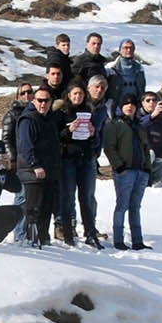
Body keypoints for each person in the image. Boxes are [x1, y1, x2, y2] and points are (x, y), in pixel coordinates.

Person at [16, 84, 62, 249]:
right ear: (34, 101)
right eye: (40, 100)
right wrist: (35, 165)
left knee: (46, 209)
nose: (43, 104)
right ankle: (31, 240)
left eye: (46, 101)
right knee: (33, 210)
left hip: (48, 172)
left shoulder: (49, 119)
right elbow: (25, 146)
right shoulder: (28, 119)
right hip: (33, 172)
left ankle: (42, 239)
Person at [104, 94, 153, 250]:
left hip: (140, 171)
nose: (129, 106)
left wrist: (147, 169)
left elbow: (145, 148)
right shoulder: (114, 124)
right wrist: (119, 166)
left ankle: (137, 241)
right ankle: (118, 239)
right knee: (122, 205)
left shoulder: (139, 126)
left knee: (135, 206)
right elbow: (109, 148)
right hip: (125, 171)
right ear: (121, 107)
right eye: (126, 104)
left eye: (132, 104)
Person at [54, 81, 99, 245]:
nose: (78, 97)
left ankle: (90, 233)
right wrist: (68, 130)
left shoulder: (88, 112)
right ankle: (67, 234)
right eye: (75, 94)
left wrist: (93, 134)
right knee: (67, 197)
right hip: (67, 160)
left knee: (86, 197)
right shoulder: (61, 113)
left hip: (85, 159)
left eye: (80, 94)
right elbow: (56, 136)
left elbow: (94, 140)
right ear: (69, 95)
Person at [109, 38, 145, 105]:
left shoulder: (140, 68)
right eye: (125, 48)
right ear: (120, 50)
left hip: (134, 105)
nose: (128, 50)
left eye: (131, 48)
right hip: (116, 106)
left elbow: (141, 89)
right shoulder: (111, 68)